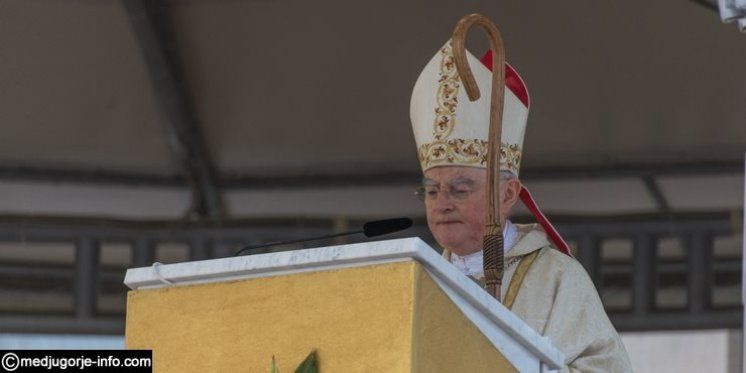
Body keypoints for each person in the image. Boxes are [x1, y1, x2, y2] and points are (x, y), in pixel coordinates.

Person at [409, 40, 633, 372]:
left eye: (458, 189)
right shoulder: (417, 281)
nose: (441, 204)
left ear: (507, 194)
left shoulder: (557, 277)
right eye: (431, 191)